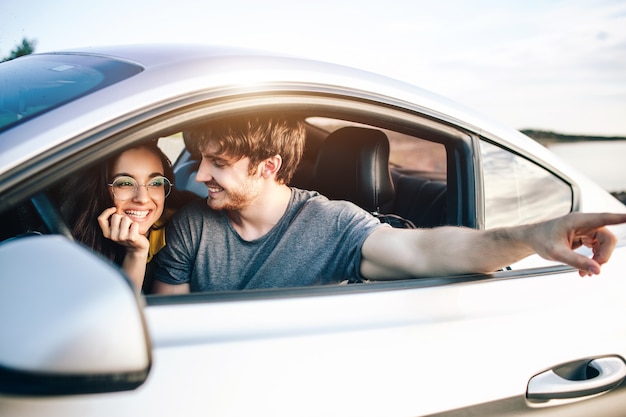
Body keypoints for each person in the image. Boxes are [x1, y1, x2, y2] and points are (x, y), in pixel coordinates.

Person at [152, 115, 626, 294]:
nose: (199, 175)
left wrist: (530, 237)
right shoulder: (194, 224)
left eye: (218, 162)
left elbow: (428, 251)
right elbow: (168, 323)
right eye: (200, 158)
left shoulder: (334, 224)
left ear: (268, 166)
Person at [59, 141, 197, 293]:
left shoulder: (186, 231)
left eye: (155, 182)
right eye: (125, 183)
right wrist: (136, 254)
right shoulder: (72, 243)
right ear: (100, 189)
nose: (143, 198)